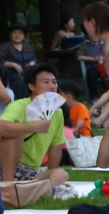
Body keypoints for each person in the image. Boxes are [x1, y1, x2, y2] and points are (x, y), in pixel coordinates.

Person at [0, 63, 70, 194]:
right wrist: (34, 127)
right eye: (45, 82)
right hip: (6, 166)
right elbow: (1, 128)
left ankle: (24, 189)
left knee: (61, 175)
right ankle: (8, 186)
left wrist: (52, 175)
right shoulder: (19, 106)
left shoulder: (57, 112)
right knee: (15, 133)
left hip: (29, 172)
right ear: (31, 86)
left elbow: (55, 148)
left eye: (54, 82)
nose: (52, 86)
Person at [0, 25, 36, 99]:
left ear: (24, 36)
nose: (17, 35)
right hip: (11, 73)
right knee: (20, 79)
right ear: (10, 34)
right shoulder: (4, 47)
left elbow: (34, 59)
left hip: (28, 71)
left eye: (20, 33)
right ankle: (24, 101)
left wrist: (32, 62)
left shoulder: (27, 46)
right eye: (15, 33)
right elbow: (1, 61)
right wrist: (13, 64)